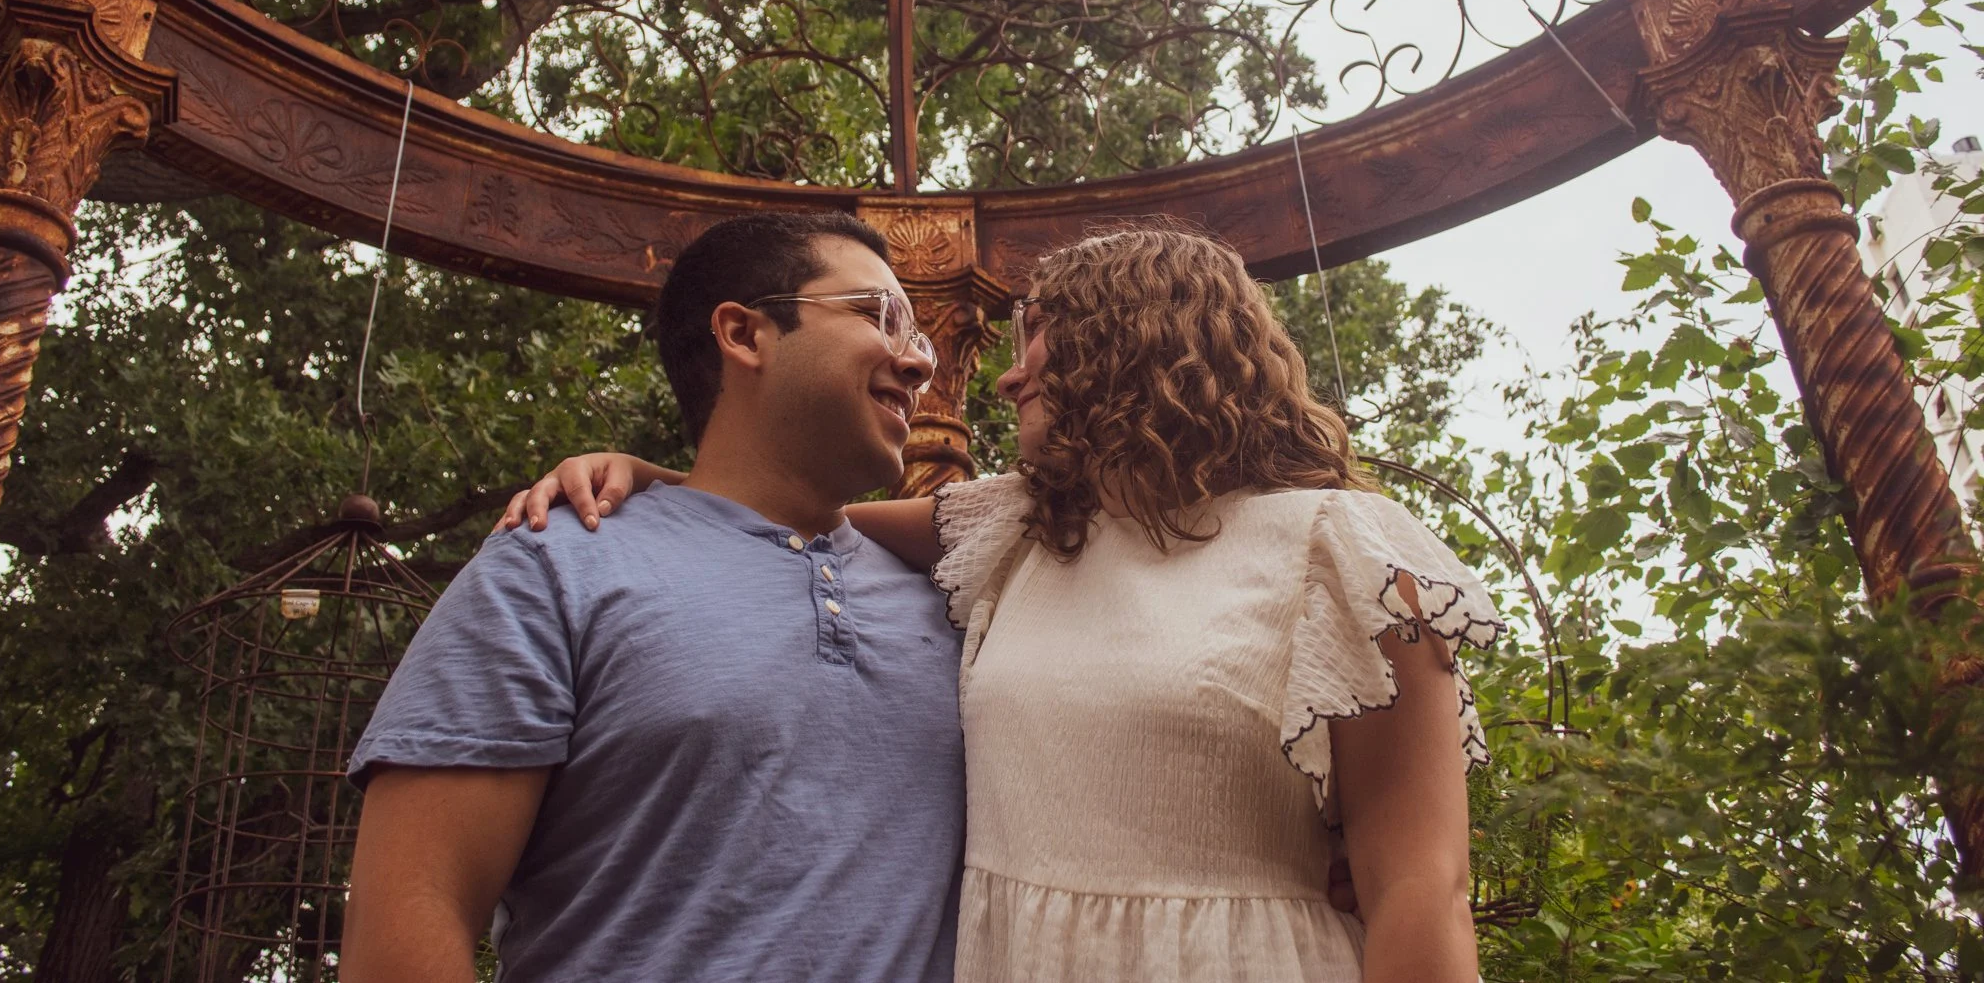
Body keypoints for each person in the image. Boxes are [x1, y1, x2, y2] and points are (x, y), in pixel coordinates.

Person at [500, 223, 1498, 983]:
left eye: (1038, 342)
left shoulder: (1340, 551)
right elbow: (786, 502)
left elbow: (1422, 890)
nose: (1008, 375)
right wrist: (647, 479)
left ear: (1132, 341)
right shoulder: (1018, 528)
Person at [340, 212, 967, 983]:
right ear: (745, 334)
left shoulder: (961, 601)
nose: (919, 362)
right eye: (880, 315)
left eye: (920, 335)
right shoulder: (553, 564)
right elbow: (409, 919)